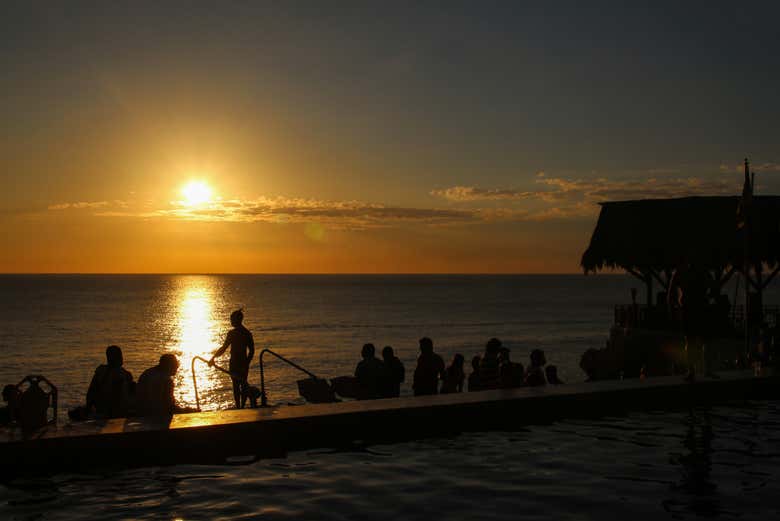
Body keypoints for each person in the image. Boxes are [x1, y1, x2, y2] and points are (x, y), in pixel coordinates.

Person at [668, 262, 713, 380]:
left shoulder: (683, 271)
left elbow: (671, 293)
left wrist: (674, 307)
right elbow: (713, 287)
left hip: (693, 309)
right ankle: (698, 370)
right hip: (694, 309)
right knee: (696, 340)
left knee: (694, 340)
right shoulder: (695, 270)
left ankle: (696, 370)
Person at [210, 308, 255, 408]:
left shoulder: (239, 333)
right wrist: (213, 357)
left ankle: (240, 406)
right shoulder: (244, 333)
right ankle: (240, 406)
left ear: (237, 320)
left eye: (232, 319)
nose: (230, 321)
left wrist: (246, 363)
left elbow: (224, 348)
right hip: (239, 362)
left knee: (239, 385)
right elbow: (251, 351)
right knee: (239, 384)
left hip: (238, 362)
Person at [86, 345, 135, 418]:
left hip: (101, 409)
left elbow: (90, 393)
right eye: (120, 355)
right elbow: (119, 397)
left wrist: (89, 408)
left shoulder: (100, 371)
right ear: (119, 357)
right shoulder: (124, 374)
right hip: (116, 412)